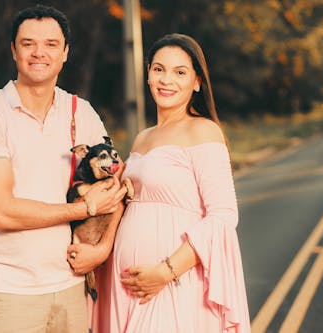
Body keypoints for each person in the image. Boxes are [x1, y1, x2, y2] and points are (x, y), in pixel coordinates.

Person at [0, 5, 127, 333]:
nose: (39, 53)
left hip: (72, 287)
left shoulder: (81, 111)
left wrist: (102, 250)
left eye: (51, 44)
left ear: (65, 53)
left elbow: (117, 186)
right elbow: (2, 213)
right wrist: (82, 207)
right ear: (13, 50)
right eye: (28, 43)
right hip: (13, 291)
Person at [100, 33, 251, 332]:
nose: (166, 79)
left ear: (196, 82)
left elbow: (223, 215)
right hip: (126, 287)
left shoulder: (203, 131)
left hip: (173, 284)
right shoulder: (143, 137)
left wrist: (166, 271)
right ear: (148, 74)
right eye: (158, 69)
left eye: (179, 72)